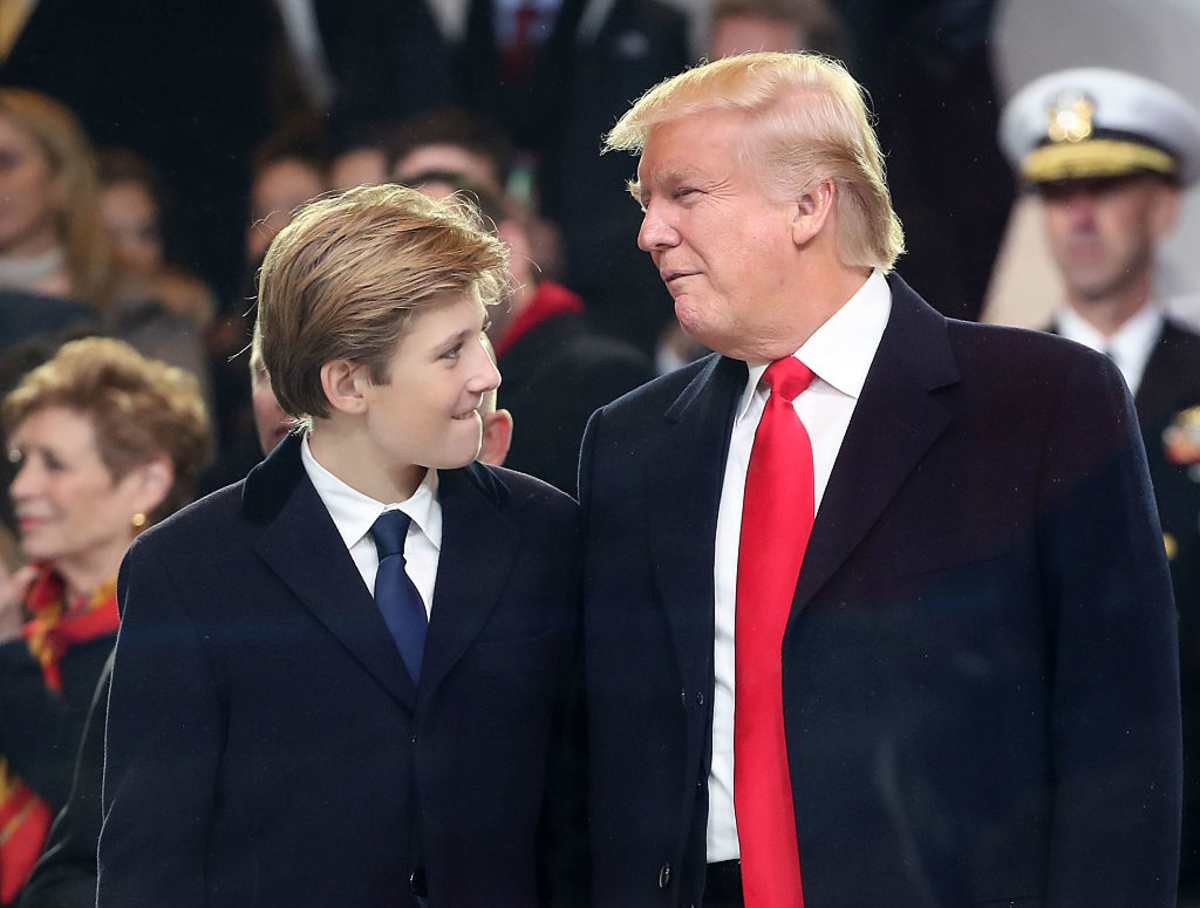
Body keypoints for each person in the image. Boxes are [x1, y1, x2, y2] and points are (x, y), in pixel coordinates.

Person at [580, 51, 1180, 908]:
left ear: (809, 203)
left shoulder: (1042, 402)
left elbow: (1122, 742)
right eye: (647, 204)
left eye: (685, 195)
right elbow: (616, 755)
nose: (650, 233)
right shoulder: (632, 443)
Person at [97, 184, 586, 907]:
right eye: (451, 352)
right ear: (348, 383)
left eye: (480, 335)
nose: (489, 372)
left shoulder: (547, 536)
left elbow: (580, 823)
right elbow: (153, 867)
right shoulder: (188, 571)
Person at [999, 65, 1200, 899]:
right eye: (1056, 193)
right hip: (1040, 814)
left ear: (1163, 206)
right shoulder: (991, 392)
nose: (1077, 216)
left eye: (1106, 186)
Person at [0, 337, 210, 906]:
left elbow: (95, 801)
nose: (21, 488)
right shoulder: (30, 614)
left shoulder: (185, 629)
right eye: (21, 462)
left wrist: (9, 655)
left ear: (146, 483)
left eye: (55, 465)